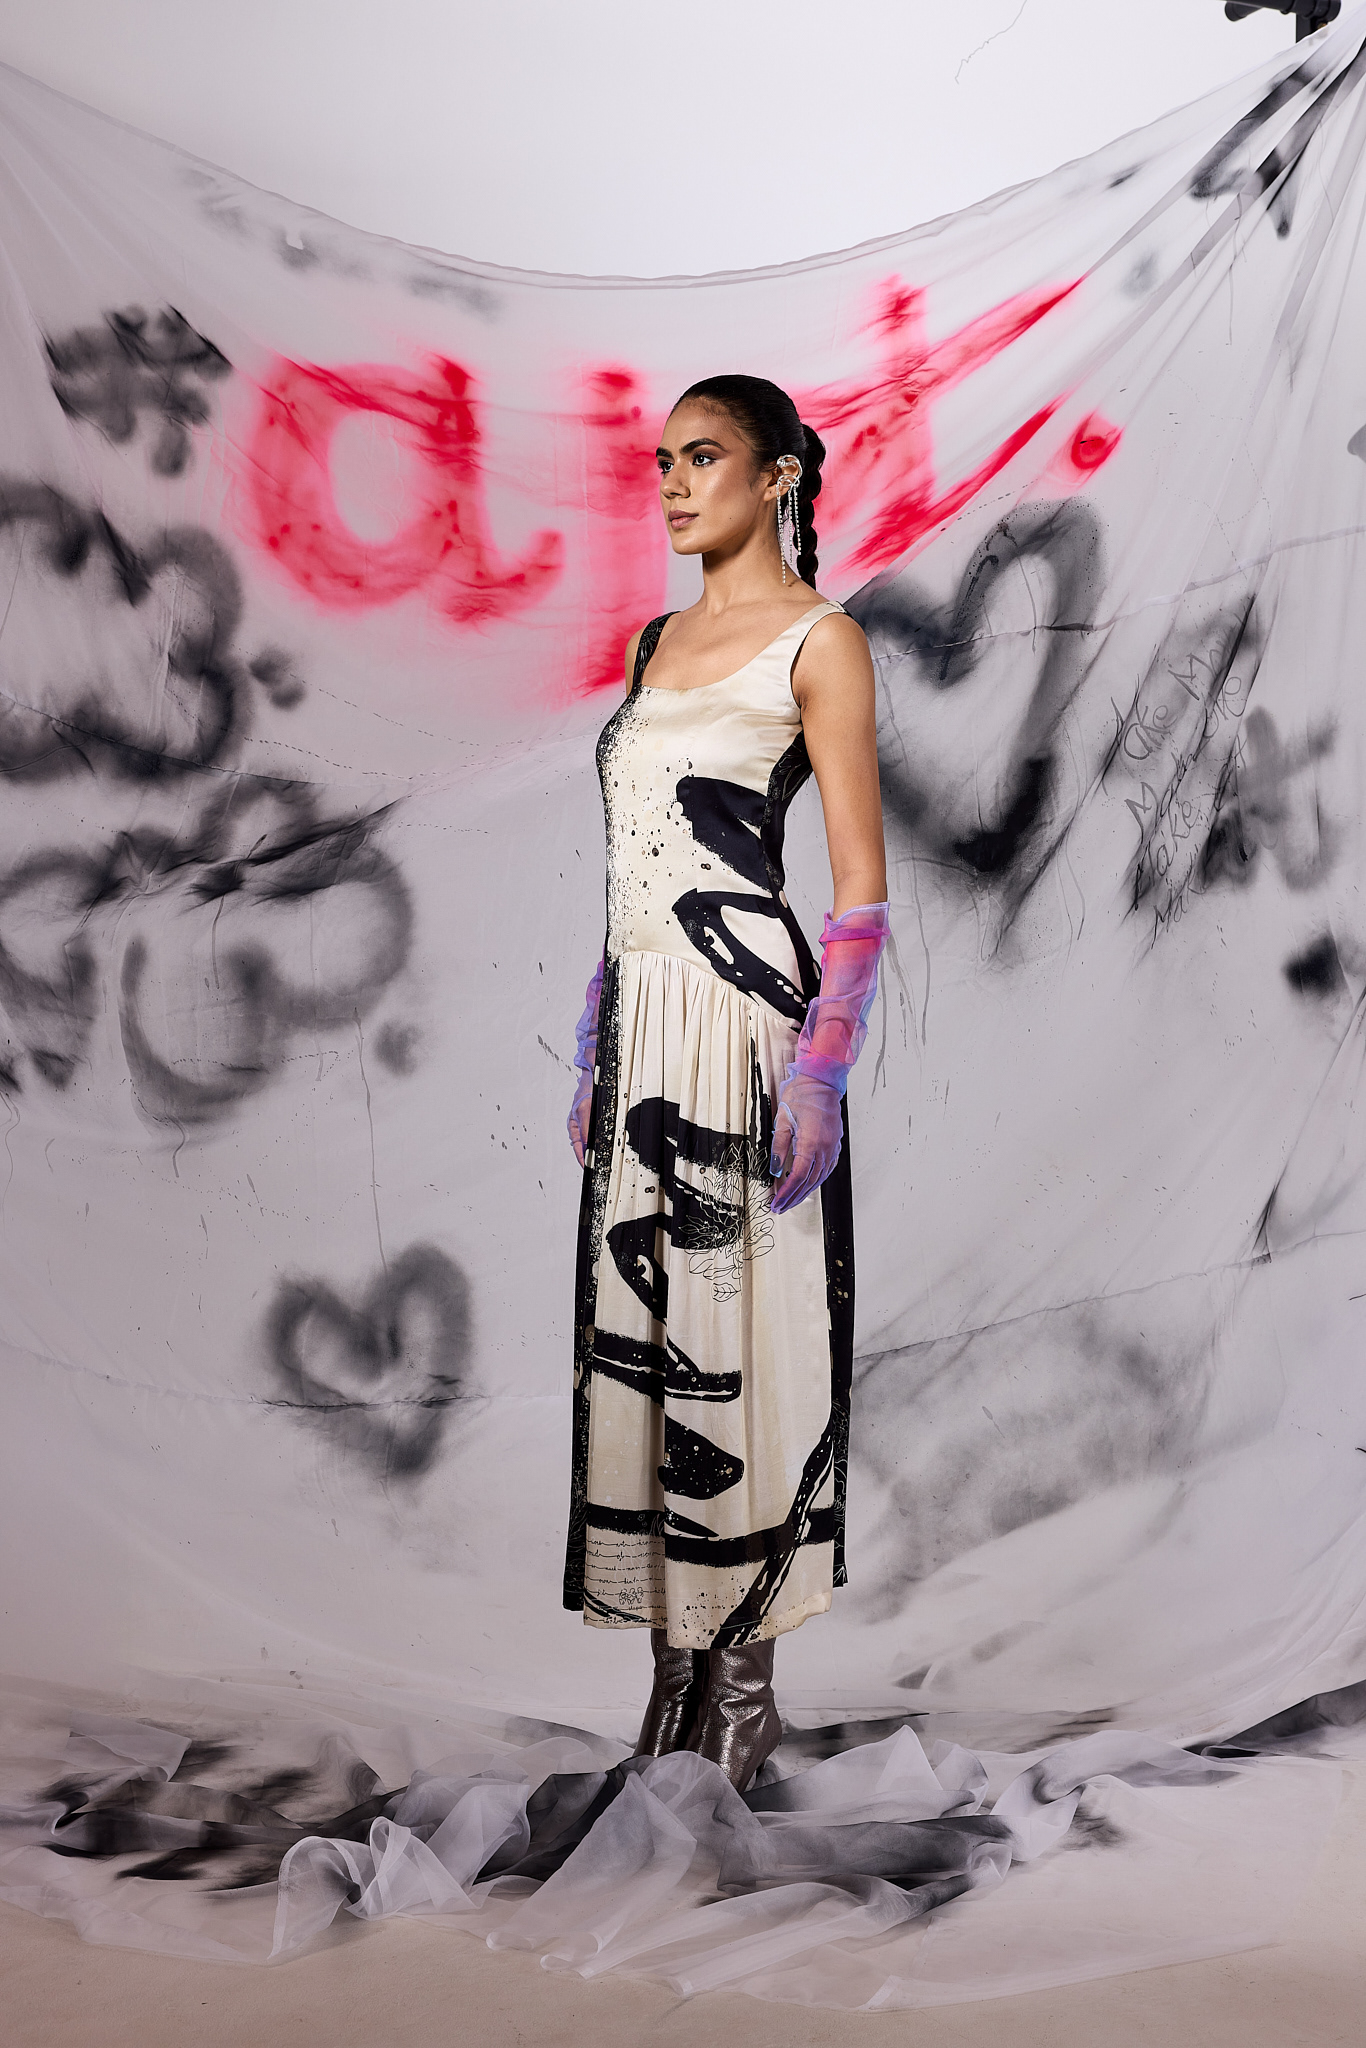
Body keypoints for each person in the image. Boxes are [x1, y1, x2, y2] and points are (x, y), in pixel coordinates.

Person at [562, 374, 888, 1791]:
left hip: (743, 1024)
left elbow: (861, 882)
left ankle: (743, 1694)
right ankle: (670, 1688)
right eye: (662, 463)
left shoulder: (823, 641)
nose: (674, 485)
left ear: (776, 476)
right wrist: (597, 1033)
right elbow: (636, 859)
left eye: (703, 458)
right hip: (645, 1024)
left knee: (741, 1340)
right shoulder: (653, 642)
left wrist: (823, 1070)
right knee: (641, 1341)